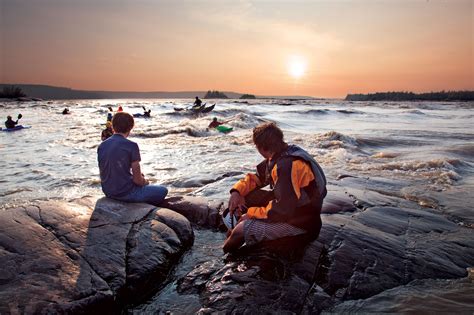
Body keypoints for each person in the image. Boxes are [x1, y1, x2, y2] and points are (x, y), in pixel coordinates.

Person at [223, 122, 327, 253]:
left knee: (240, 231)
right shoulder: (283, 153)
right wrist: (236, 192)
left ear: (261, 147)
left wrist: (250, 214)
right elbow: (257, 178)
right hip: (296, 210)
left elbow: (282, 210)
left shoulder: (287, 166)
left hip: (302, 224)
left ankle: (224, 254)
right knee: (246, 197)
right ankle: (232, 232)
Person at [97, 112, 168, 206]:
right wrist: (145, 181)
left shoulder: (102, 145)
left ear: (113, 127)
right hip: (124, 194)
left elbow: (113, 169)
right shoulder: (132, 145)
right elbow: (137, 181)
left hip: (108, 192)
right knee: (162, 190)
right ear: (130, 128)